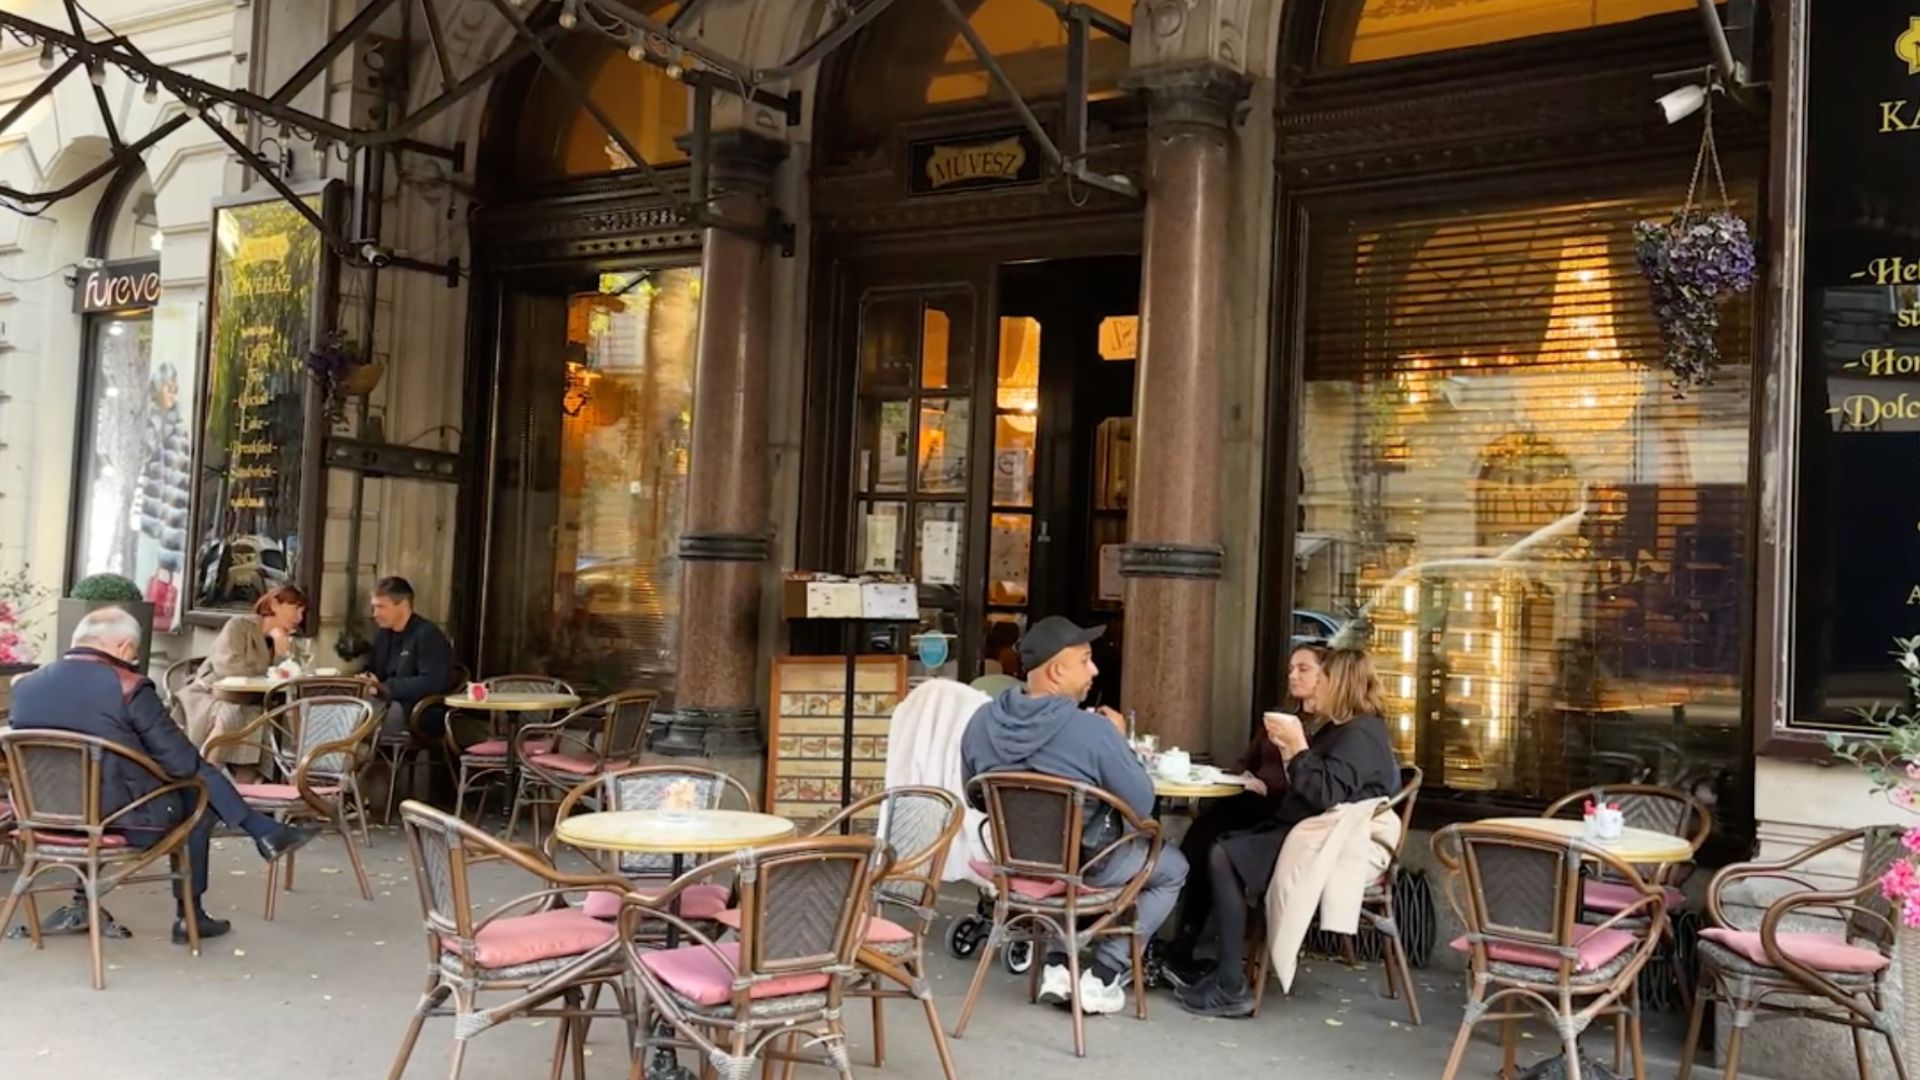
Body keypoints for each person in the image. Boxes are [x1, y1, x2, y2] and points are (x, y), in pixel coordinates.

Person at [8, 608, 317, 942]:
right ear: (125, 648)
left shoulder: (26, 686)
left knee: (107, 787)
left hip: (40, 819)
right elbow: (182, 762)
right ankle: (192, 915)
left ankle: (82, 905)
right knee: (198, 796)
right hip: (124, 820)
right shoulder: (128, 688)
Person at [960, 615, 1188, 1016]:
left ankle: (1056, 966)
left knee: (1056, 855)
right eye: (1086, 660)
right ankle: (1104, 972)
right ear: (1056, 670)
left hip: (1016, 865)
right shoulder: (1092, 731)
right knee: (1172, 867)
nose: (1095, 669)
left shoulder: (980, 722)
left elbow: (976, 797)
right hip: (1088, 866)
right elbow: (1141, 802)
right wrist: (1119, 742)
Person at [1173, 647, 1400, 1019]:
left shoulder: (1360, 735)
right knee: (1217, 837)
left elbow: (1325, 795)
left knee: (1224, 856)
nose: (1312, 685)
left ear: (1338, 683)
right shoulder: (1345, 729)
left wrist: (1296, 749)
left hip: (1329, 840)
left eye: (1320, 678)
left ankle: (1230, 985)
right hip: (1309, 830)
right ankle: (1218, 970)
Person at [1164, 643, 1329, 978]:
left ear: (1326, 677)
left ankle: (1199, 949)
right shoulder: (1282, 718)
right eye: (1291, 669)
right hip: (1252, 801)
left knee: (1215, 846)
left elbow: (1314, 785)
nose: (1293, 676)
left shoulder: (1326, 730)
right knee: (1199, 836)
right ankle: (1182, 941)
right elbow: (1248, 759)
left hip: (1286, 813)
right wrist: (1245, 776)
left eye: (1303, 669)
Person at [177, 585, 308, 774]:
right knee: (232, 716)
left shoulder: (285, 639)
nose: (299, 618)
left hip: (253, 701)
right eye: (294, 609)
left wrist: (281, 653)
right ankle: (204, 777)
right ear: (274, 604)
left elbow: (288, 674)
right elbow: (228, 667)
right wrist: (267, 669)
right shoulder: (239, 626)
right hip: (213, 696)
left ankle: (246, 787)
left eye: (302, 612)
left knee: (267, 722)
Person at [364, 577, 456, 739]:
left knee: (353, 718)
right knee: (342, 710)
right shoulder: (383, 635)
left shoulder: (427, 635)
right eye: (374, 607)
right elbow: (373, 670)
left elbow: (432, 682)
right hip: (383, 703)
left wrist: (384, 688)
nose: (375, 614)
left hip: (414, 710)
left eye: (381, 607)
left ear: (403, 605)